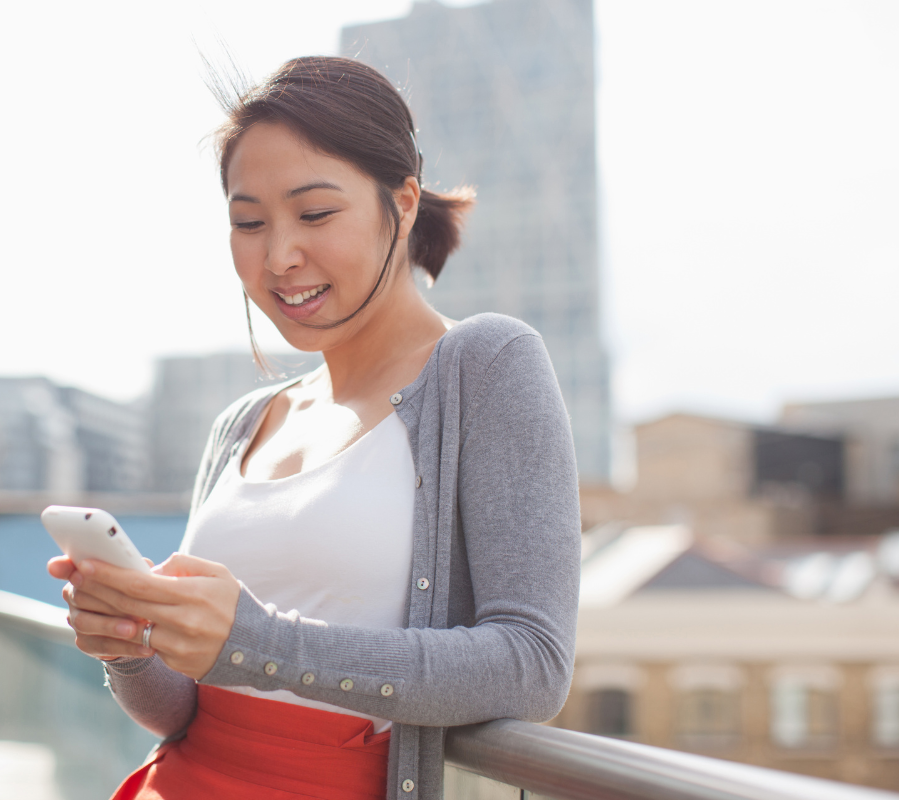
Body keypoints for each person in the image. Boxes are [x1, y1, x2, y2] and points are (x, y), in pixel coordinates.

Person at [47, 55, 581, 800]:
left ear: (402, 202)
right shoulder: (244, 422)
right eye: (248, 222)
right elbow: (182, 715)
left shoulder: (486, 365)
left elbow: (532, 666)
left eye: (316, 213)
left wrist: (260, 644)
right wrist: (132, 648)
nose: (279, 255)